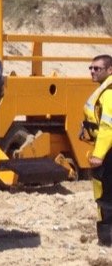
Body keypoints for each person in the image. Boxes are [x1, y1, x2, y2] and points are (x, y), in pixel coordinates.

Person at [83, 54, 112, 245]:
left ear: (109, 71)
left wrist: (99, 155)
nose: (92, 71)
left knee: (105, 193)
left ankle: (107, 239)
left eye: (97, 69)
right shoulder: (104, 91)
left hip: (108, 152)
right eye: (90, 68)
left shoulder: (109, 93)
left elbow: (108, 126)